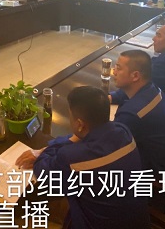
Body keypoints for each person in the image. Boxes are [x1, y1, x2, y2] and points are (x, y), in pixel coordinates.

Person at [15, 86, 150, 229]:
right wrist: (75, 137)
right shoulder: (123, 131)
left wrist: (41, 152)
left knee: (37, 206)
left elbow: (42, 171)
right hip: (138, 222)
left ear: (79, 124)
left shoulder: (72, 157)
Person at [109, 50, 165, 174]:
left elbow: (109, 146)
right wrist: (110, 97)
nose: (114, 72)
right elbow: (125, 93)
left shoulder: (133, 114)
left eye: (119, 68)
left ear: (135, 76)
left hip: (159, 179)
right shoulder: (152, 89)